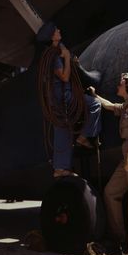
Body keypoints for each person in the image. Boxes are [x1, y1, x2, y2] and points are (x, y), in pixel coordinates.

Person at [89, 73, 128, 255]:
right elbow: (108, 105)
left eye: (121, 83)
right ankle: (120, 238)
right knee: (111, 192)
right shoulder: (125, 106)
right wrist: (94, 95)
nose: (118, 85)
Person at [37, 22, 101, 178]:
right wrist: (66, 58)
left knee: (63, 131)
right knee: (95, 104)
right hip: (62, 99)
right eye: (56, 30)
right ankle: (83, 137)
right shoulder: (54, 57)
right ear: (53, 36)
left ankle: (60, 167)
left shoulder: (54, 52)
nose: (59, 30)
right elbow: (64, 76)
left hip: (60, 98)